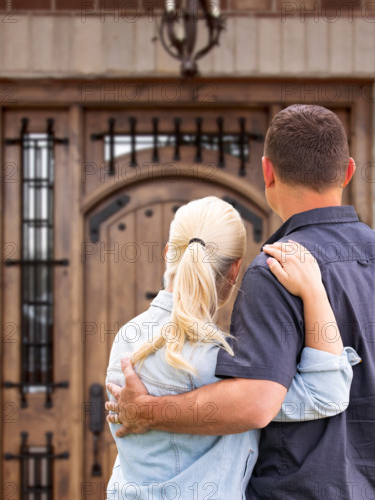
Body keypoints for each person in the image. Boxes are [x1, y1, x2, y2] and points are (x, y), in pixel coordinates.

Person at [106, 105, 375, 499]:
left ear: (267, 172)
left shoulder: (275, 269)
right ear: (348, 172)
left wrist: (149, 411)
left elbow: (255, 402)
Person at [105, 196, 360, 499]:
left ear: (167, 254)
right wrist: (314, 291)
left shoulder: (126, 336)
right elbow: (326, 392)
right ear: (235, 271)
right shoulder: (219, 360)